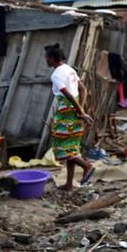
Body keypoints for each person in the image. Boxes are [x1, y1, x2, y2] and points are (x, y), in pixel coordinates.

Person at [45, 44, 95, 191]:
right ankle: (69, 184)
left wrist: (81, 111)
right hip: (75, 112)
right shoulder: (69, 69)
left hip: (66, 112)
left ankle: (87, 166)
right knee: (71, 148)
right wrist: (81, 111)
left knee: (60, 147)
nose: (45, 60)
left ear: (52, 58)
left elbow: (68, 95)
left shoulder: (56, 75)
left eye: (46, 58)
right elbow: (83, 89)